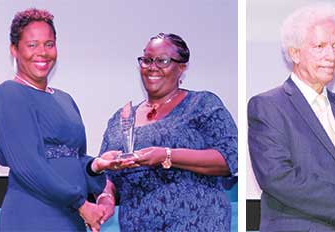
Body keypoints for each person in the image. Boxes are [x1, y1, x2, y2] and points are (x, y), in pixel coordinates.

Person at [248, 3, 335, 231]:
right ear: (294, 53)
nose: (331, 55)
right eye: (320, 46)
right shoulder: (268, 106)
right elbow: (278, 178)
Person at [94, 32, 238, 231]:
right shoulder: (121, 119)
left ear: (181, 67)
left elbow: (230, 158)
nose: (152, 67)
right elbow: (107, 177)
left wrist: (166, 155)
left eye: (162, 61)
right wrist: (106, 198)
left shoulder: (202, 104)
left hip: (197, 223)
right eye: (146, 60)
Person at [0, 8, 110, 231]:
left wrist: (96, 166)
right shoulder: (9, 94)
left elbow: (76, 158)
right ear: (14, 50)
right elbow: (28, 167)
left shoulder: (65, 99)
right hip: (34, 215)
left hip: (71, 218)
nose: (42, 52)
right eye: (32, 45)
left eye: (49, 44)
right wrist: (81, 204)